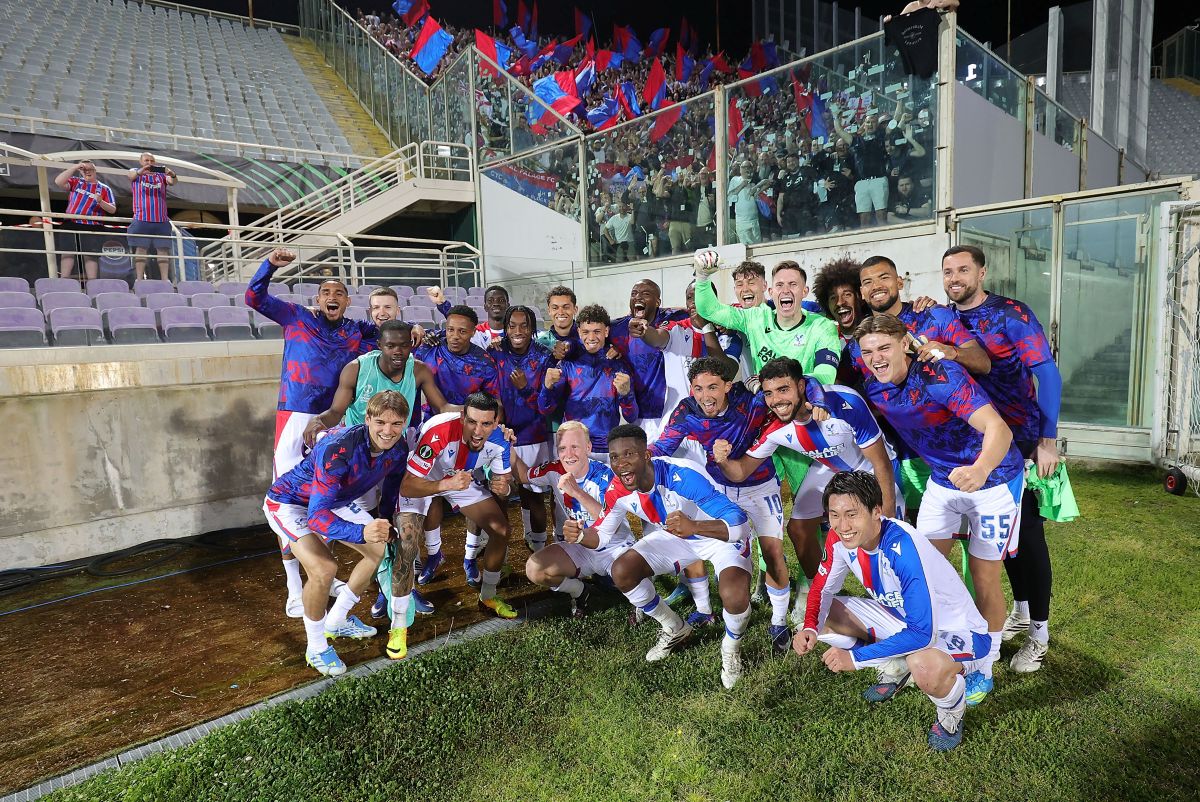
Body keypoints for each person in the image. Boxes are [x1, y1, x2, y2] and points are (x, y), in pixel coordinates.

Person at [854, 314, 1024, 705]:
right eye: (868, 352)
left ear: (904, 345)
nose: (876, 358)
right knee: (922, 574)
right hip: (942, 483)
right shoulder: (874, 387)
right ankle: (923, 653)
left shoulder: (939, 375)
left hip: (994, 480)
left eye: (884, 348)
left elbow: (1000, 430)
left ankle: (985, 666)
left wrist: (981, 469)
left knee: (983, 579)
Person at [794, 471, 989, 752]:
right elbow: (822, 590)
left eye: (851, 514)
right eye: (834, 515)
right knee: (823, 619)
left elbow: (923, 634)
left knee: (923, 665)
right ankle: (894, 666)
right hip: (903, 618)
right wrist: (810, 626)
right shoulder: (838, 538)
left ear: (876, 512)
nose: (842, 525)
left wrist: (856, 659)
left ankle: (951, 712)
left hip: (958, 631)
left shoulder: (901, 546)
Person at [941, 244, 1063, 673]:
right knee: (1000, 541)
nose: (954, 278)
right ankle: (1023, 611)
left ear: (982, 272)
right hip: (983, 446)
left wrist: (1047, 439)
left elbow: (1046, 373)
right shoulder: (946, 317)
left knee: (1027, 538)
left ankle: (1041, 636)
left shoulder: (1011, 313)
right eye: (948, 272)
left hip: (1024, 441)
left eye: (963, 270)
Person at [566, 425, 753, 689]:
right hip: (677, 536)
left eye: (629, 454)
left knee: (733, 596)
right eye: (614, 457)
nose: (621, 464)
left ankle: (731, 648)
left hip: (718, 536)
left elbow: (741, 525)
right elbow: (602, 536)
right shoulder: (617, 489)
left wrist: (695, 527)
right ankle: (675, 627)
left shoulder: (681, 475)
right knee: (622, 570)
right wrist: (580, 536)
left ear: (646, 455)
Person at [246, 248, 377, 617]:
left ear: (348, 301)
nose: (332, 298)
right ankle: (293, 589)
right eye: (326, 293)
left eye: (339, 293)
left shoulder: (356, 332)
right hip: (294, 416)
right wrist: (269, 264)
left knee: (324, 495)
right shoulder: (296, 317)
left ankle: (318, 572)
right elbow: (253, 297)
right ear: (317, 299)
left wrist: (414, 330)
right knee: (288, 499)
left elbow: (387, 339)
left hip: (332, 422)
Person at [715, 356, 900, 601]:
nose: (776, 401)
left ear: (801, 386)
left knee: (881, 539)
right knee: (799, 529)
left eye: (783, 390)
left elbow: (882, 464)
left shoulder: (844, 401)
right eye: (769, 393)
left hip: (872, 467)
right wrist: (723, 460)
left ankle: (897, 600)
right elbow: (741, 472)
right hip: (830, 469)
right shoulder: (775, 428)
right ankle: (822, 596)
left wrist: (886, 517)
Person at [263, 390, 411, 675]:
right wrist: (362, 531)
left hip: (335, 501)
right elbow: (317, 518)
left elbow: (392, 485)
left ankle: (337, 618)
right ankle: (316, 647)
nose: (388, 431)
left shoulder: (399, 447)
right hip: (290, 503)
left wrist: (383, 521)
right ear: (367, 419)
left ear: (404, 424)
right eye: (380, 422)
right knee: (324, 569)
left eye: (396, 424)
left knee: (378, 550)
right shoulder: (339, 448)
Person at [651, 357, 792, 653]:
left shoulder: (750, 401)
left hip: (761, 485)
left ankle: (779, 620)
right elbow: (660, 448)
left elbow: (794, 390)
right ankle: (710, 608)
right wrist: (631, 461)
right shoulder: (687, 410)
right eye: (699, 388)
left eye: (713, 387)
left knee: (772, 551)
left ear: (728, 386)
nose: (705, 396)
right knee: (706, 546)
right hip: (719, 492)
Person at [854, 254, 992, 511]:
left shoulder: (932, 316)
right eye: (868, 282)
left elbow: (983, 363)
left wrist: (952, 352)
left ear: (899, 282)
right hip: (901, 455)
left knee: (974, 539)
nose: (876, 286)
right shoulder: (859, 344)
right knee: (918, 536)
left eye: (884, 277)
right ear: (862, 292)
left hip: (962, 452)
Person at [397, 394, 519, 620]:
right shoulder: (440, 432)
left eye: (486, 424)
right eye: (472, 421)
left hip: (458, 478)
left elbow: (504, 485)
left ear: (496, 423)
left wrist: (504, 488)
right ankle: (402, 604)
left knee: (501, 530)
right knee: (407, 535)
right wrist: (444, 484)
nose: (477, 431)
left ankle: (488, 596)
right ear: (463, 417)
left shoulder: (501, 441)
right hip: (422, 477)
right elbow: (407, 486)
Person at [411, 305, 502, 580]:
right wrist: (415, 330)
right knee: (431, 495)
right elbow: (397, 345)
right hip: (433, 433)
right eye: (450, 329)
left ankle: (470, 556)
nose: (454, 336)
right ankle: (434, 553)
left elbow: (495, 403)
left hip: (469, 437)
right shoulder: (429, 349)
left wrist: (493, 430)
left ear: (474, 332)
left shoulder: (485, 362)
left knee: (471, 493)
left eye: (462, 331)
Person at [513, 421, 635, 616]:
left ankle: (640, 600)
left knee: (630, 577)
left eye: (574, 447)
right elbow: (523, 475)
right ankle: (581, 592)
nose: (568, 455)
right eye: (562, 448)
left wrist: (576, 492)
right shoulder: (554, 469)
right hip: (581, 548)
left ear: (588, 447)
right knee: (535, 568)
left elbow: (610, 519)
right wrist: (507, 446)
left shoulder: (606, 475)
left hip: (614, 547)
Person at [491, 305, 555, 553]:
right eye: (512, 325)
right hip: (501, 435)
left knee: (533, 495)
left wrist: (526, 388)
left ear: (532, 328)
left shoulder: (543, 357)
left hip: (533, 435)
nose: (518, 331)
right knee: (499, 496)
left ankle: (540, 550)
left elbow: (546, 404)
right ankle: (500, 553)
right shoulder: (495, 353)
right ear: (505, 328)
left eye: (524, 325)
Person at [537, 304, 638, 462]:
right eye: (586, 332)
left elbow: (631, 416)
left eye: (597, 331)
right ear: (578, 332)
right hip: (573, 447)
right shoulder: (568, 364)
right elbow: (545, 409)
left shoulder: (618, 364)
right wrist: (547, 386)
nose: (591, 338)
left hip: (607, 450)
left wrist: (627, 394)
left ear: (606, 331)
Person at [608, 279, 689, 441]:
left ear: (658, 301)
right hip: (636, 415)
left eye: (645, 294)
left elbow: (698, 313)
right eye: (634, 294)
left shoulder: (673, 318)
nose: (638, 297)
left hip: (671, 412)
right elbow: (590, 335)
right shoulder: (617, 329)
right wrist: (612, 346)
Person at [810, 257, 871, 386]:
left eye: (847, 294)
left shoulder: (877, 330)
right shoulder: (824, 338)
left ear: (860, 297)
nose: (840, 302)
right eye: (833, 298)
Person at [53, 161, 116, 282]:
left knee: (90, 256)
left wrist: (101, 202)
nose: (87, 172)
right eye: (84, 169)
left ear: (95, 171)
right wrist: (76, 166)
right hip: (71, 222)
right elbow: (58, 181)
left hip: (93, 225)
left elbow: (112, 209)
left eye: (90, 169)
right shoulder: (76, 182)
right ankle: (63, 281)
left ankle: (92, 283)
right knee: (67, 253)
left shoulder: (104, 188)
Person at [127, 152, 178, 281]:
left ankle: (165, 279)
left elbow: (173, 182)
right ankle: (139, 279)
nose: (149, 163)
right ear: (141, 162)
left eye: (151, 161)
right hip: (141, 219)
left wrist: (172, 174)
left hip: (161, 220)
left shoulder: (161, 175)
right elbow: (130, 175)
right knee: (141, 249)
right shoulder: (135, 172)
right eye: (146, 160)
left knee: (163, 251)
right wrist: (141, 171)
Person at [428, 285, 509, 347]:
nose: (496, 304)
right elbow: (459, 320)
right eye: (490, 301)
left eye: (501, 300)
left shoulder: (516, 333)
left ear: (507, 305)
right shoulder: (477, 332)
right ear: (485, 306)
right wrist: (442, 303)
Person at [728, 160, 773, 245]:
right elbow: (730, 196)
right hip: (742, 221)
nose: (747, 170)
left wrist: (763, 184)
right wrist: (741, 185)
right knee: (745, 247)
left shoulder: (755, 180)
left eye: (749, 167)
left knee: (757, 246)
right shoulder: (735, 180)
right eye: (745, 167)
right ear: (740, 169)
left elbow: (754, 193)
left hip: (755, 220)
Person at [534, 284, 582, 361]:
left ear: (575, 309)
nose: (560, 312)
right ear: (549, 311)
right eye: (555, 308)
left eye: (566, 307)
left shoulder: (586, 338)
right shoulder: (540, 341)